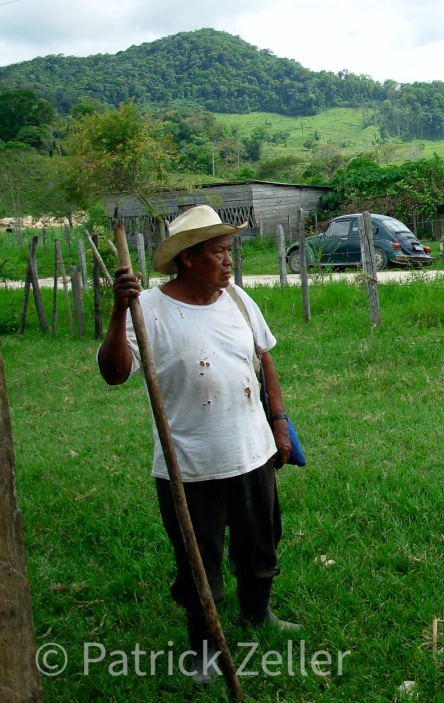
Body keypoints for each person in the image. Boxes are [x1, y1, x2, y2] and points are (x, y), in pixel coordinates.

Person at [97, 205, 300, 684]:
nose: (229, 261)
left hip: (252, 452)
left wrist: (279, 422)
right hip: (189, 464)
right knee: (197, 559)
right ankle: (205, 649)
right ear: (188, 258)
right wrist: (118, 311)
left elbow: (264, 359)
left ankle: (258, 614)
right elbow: (114, 372)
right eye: (218, 252)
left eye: (229, 251)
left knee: (261, 544)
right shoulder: (147, 308)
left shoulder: (238, 300)